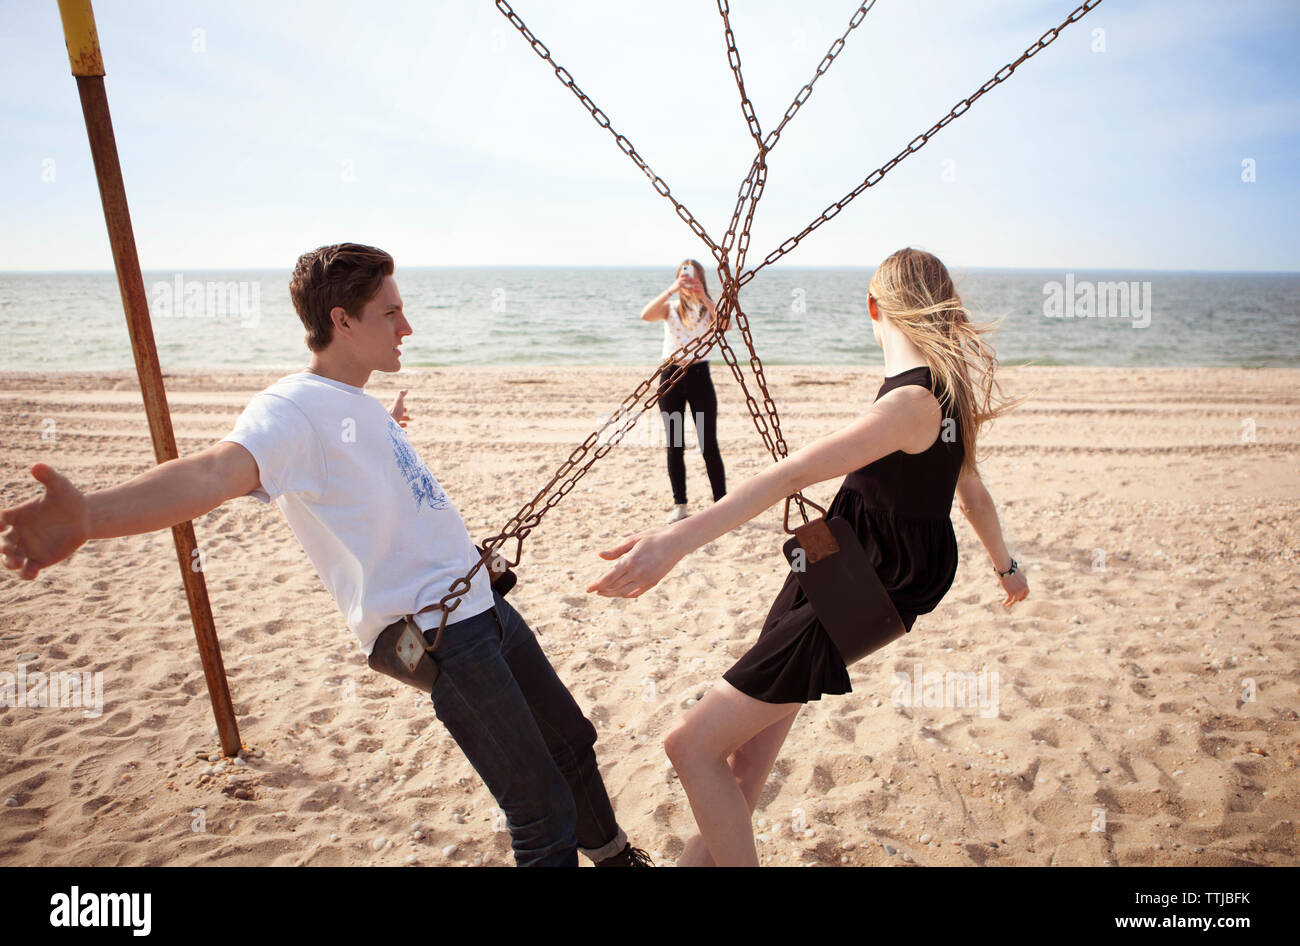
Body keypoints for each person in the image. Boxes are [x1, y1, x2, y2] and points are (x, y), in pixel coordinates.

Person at [1, 242, 651, 868]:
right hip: (441, 632)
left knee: (572, 745)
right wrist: (88, 515)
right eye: (390, 313)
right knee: (538, 809)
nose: (408, 327)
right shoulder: (290, 410)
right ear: (341, 320)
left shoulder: (349, 404)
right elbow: (210, 473)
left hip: (481, 605)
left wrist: (382, 423)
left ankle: (615, 860)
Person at [588, 247, 1030, 866]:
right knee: (740, 769)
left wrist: (675, 541)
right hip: (830, 573)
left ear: (872, 308)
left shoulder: (908, 407)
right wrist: (1007, 567)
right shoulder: (946, 397)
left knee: (689, 746)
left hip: (853, 592)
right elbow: (974, 493)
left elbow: (782, 477)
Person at [640, 259, 729, 523]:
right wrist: (671, 289)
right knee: (675, 444)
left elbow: (725, 326)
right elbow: (645, 315)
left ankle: (721, 503)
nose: (689, 281)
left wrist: (703, 296)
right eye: (684, 276)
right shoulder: (669, 309)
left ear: (701, 279)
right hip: (670, 378)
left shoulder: (707, 310)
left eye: (694, 277)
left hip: (700, 376)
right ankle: (680, 504)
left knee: (708, 444)